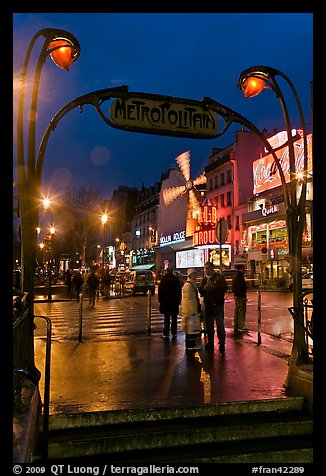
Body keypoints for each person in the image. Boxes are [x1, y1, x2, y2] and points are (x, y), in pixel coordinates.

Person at [198, 261, 228, 354]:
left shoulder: (219, 277)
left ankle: (222, 343)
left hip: (217, 304)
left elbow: (224, 288)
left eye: (207, 268)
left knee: (220, 325)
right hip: (208, 305)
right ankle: (210, 342)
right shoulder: (204, 279)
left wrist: (212, 287)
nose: (206, 270)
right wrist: (202, 289)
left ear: (212, 268)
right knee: (209, 326)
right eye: (205, 268)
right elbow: (202, 291)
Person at [158, 266, 182, 339]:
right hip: (174, 302)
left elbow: (160, 291)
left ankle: (166, 333)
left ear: (167, 271)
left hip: (166, 302)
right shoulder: (176, 279)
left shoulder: (164, 279)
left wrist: (161, 301)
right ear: (172, 271)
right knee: (174, 318)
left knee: (167, 318)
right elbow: (179, 291)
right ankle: (174, 333)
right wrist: (178, 301)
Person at [181, 268, 202, 351]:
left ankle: (190, 344)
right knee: (191, 329)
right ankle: (190, 345)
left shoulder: (191, 284)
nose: (195, 276)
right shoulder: (188, 285)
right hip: (190, 310)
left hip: (190, 310)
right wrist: (193, 311)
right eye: (193, 274)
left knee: (191, 329)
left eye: (195, 274)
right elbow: (189, 300)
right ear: (190, 275)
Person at [232, 264, 248, 332]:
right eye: (243, 269)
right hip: (240, 296)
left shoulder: (236, 276)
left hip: (237, 295)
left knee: (237, 310)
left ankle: (236, 324)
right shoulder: (240, 277)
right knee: (242, 310)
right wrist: (243, 296)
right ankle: (241, 326)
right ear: (240, 269)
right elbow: (241, 288)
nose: (244, 270)